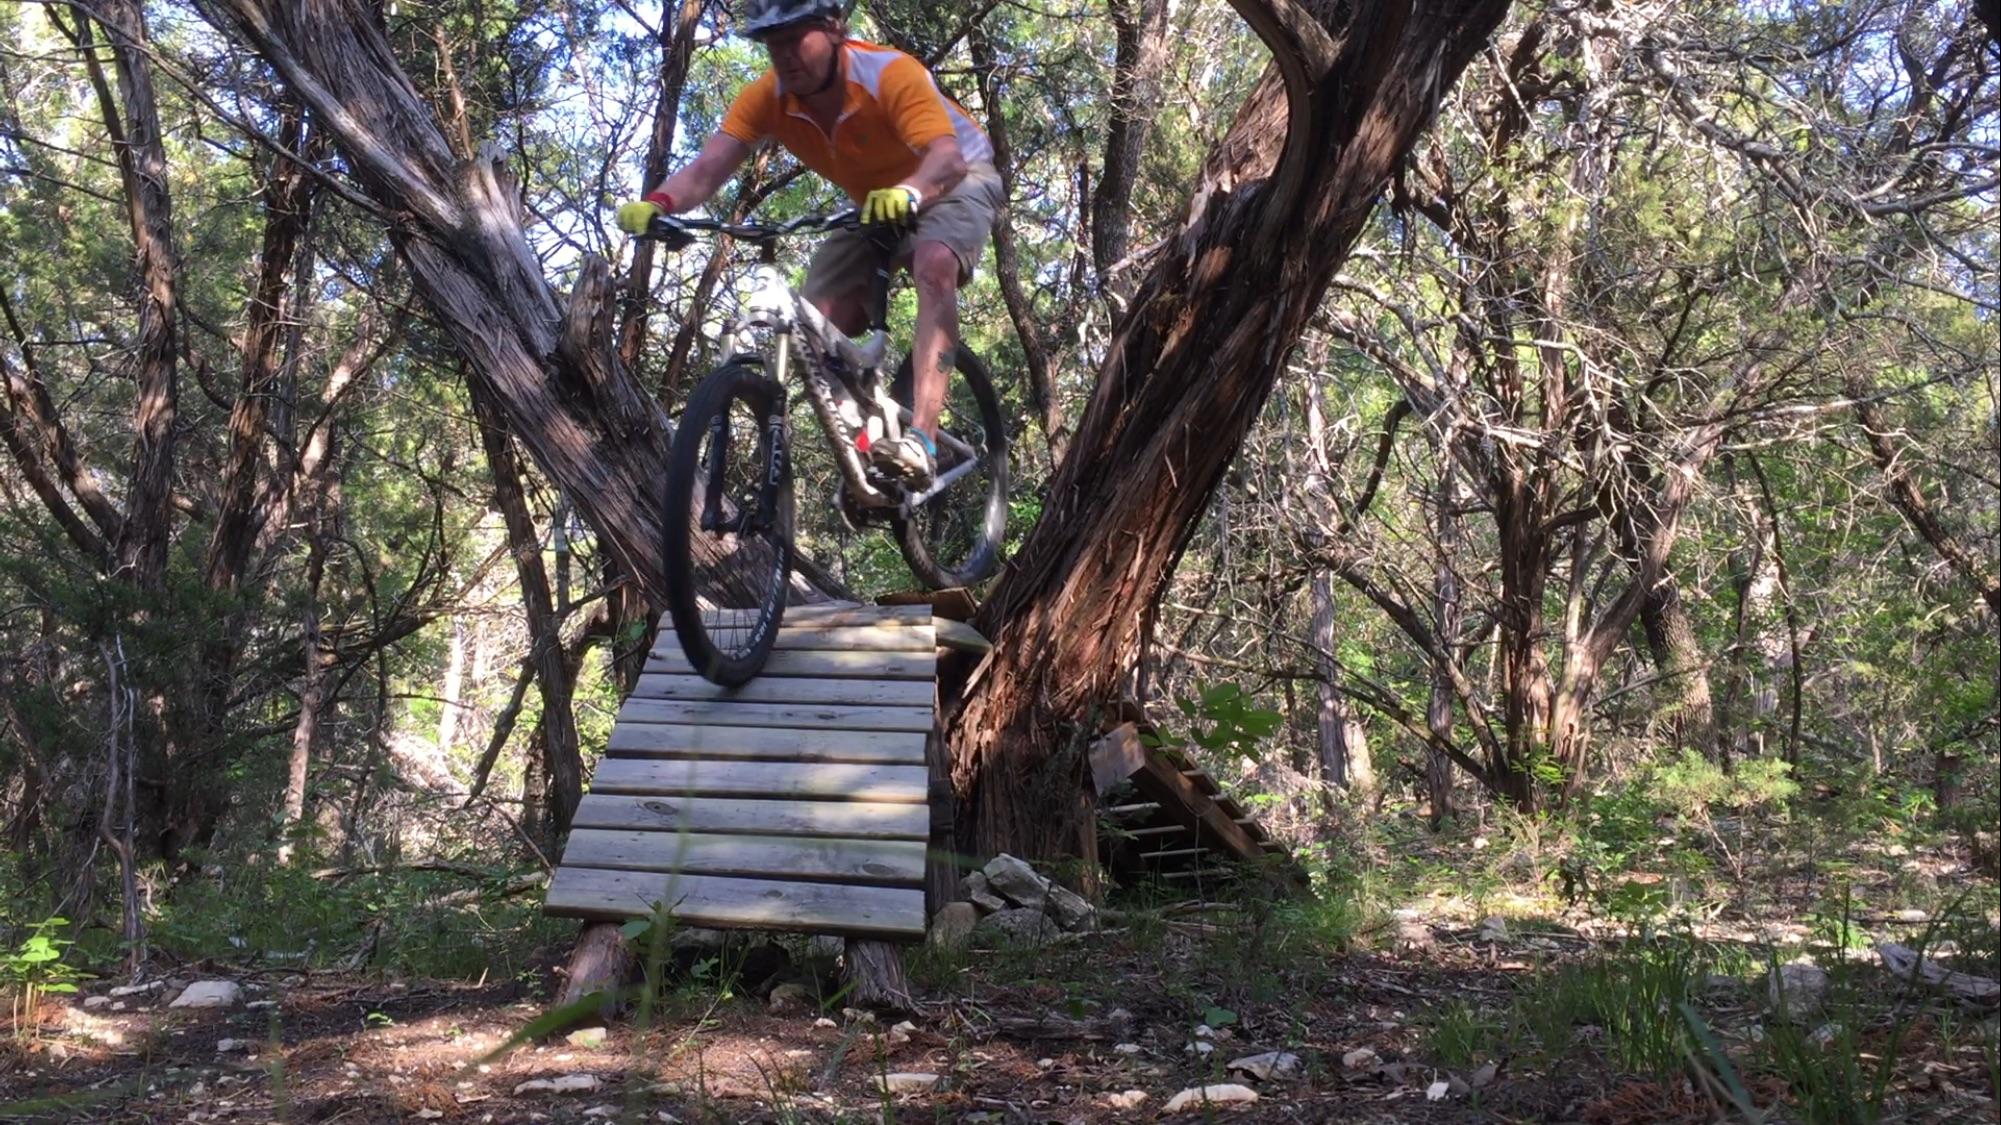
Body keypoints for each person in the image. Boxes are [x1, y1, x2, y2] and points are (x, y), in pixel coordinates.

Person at [617, 0, 1002, 488]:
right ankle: (867, 450)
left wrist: (909, 192)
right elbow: (707, 169)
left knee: (933, 263)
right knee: (814, 325)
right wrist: (660, 203)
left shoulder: (889, 74)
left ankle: (921, 441)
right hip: (874, 205)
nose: (784, 55)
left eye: (794, 38)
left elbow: (945, 159)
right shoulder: (767, 98)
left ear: (835, 28)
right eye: (771, 44)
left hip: (956, 178)